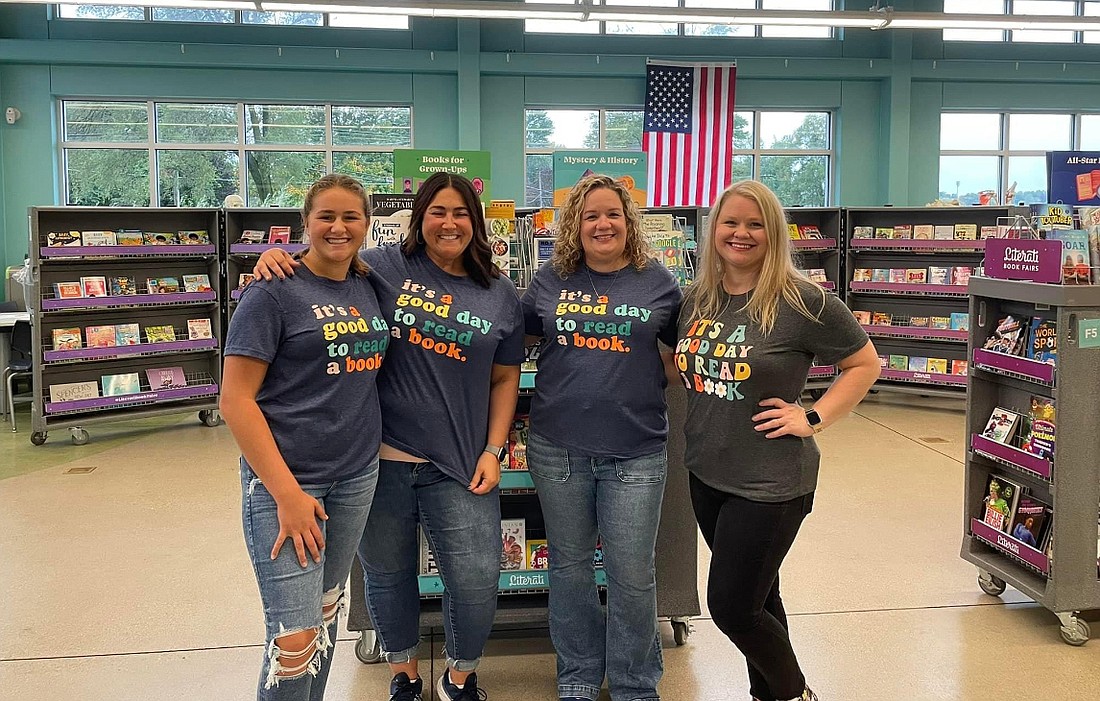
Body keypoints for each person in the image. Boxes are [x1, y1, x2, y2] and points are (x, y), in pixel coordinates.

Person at [253, 171, 524, 701]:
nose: (449, 222)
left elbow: (505, 376)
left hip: (461, 463)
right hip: (376, 463)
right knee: (387, 576)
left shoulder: (500, 294)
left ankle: (460, 675)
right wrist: (275, 255)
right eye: (438, 211)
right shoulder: (381, 267)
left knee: (475, 579)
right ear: (418, 218)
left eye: (461, 212)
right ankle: (403, 672)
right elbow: (326, 253)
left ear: (478, 221)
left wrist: (494, 449)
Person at [675, 180, 880, 701]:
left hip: (770, 482)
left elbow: (863, 363)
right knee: (761, 599)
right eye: (730, 222)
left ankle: (794, 693)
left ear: (774, 233)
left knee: (732, 607)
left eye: (755, 223)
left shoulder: (803, 301)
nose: (740, 233)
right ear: (713, 229)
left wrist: (812, 416)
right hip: (706, 472)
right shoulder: (697, 298)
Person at [221, 174, 390, 700]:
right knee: (292, 641)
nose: (338, 228)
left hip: (356, 476)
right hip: (287, 482)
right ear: (306, 224)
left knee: (324, 614)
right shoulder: (271, 292)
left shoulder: (367, 282)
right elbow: (235, 401)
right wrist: (288, 495)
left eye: (351, 217)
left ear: (366, 224)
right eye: (326, 217)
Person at [522, 174, 682, 701]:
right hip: (557, 449)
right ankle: (578, 676)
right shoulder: (549, 280)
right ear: (575, 225)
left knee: (632, 574)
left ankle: (636, 684)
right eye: (590, 215)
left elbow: (682, 356)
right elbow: (513, 340)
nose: (602, 223)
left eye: (612, 213)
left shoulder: (658, 283)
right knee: (569, 570)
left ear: (628, 220)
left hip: (636, 452)